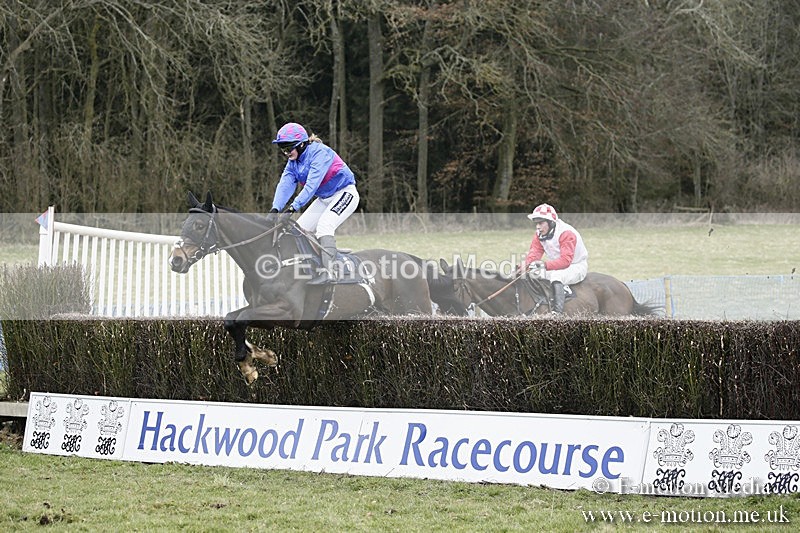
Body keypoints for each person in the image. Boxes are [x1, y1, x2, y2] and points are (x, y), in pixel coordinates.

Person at [266, 122, 359, 285]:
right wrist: (275, 209)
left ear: (301, 144)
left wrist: (292, 208)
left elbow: (311, 186)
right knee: (299, 230)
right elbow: (285, 185)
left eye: (288, 148)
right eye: (283, 149)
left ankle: (331, 272)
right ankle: (314, 266)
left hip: (345, 193)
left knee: (324, 226)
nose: (286, 153)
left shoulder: (319, 153)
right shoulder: (293, 162)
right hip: (324, 198)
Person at [520, 203, 588, 313]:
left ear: (551, 222)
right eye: (537, 223)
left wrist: (543, 265)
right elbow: (535, 252)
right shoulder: (539, 234)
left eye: (541, 223)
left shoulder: (566, 233)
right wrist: (525, 265)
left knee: (557, 276)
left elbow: (565, 261)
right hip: (556, 266)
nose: (538, 227)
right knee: (531, 274)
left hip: (576, 266)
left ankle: (557, 314)